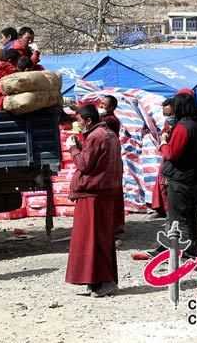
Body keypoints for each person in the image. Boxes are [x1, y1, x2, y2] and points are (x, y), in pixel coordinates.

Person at [64, 105, 122, 297]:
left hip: (94, 194)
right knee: (99, 238)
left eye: (79, 121)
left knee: (92, 239)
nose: (78, 125)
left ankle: (104, 282)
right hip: (104, 193)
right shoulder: (108, 134)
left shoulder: (97, 136)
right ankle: (96, 282)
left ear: (88, 121)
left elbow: (84, 164)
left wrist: (73, 148)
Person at [148, 92, 197, 260]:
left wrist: (163, 142)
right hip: (196, 179)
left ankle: (186, 253)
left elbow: (173, 154)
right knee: (191, 216)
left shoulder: (183, 127)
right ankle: (186, 249)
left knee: (180, 218)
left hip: (181, 179)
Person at [98, 95, 125, 237]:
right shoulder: (103, 119)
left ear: (112, 108)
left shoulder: (111, 121)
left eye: (104, 104)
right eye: (100, 103)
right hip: (106, 160)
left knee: (112, 193)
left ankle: (114, 225)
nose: (101, 106)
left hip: (111, 161)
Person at [151, 98, 175, 217]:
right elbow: (164, 133)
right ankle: (162, 209)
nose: (167, 117)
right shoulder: (168, 123)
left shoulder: (182, 125)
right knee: (161, 181)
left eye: (169, 114)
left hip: (174, 156)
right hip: (166, 154)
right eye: (165, 115)